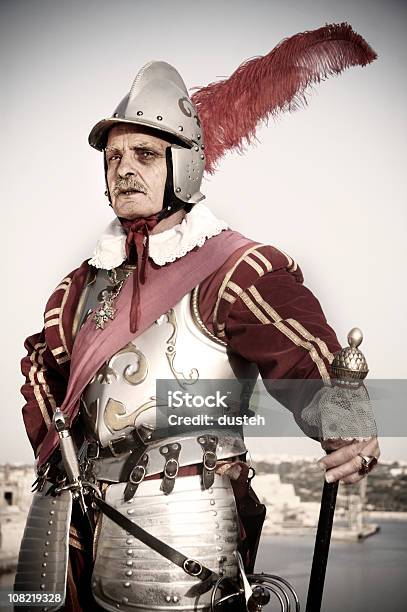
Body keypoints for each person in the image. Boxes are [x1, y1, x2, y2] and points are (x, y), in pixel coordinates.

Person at [16, 23, 380, 612]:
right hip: (87, 524)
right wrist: (57, 449)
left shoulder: (233, 271)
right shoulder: (80, 286)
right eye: (112, 159)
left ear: (183, 166)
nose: (123, 170)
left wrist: (349, 429)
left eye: (142, 155)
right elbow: (42, 369)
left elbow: (305, 354)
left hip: (185, 519)